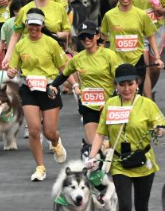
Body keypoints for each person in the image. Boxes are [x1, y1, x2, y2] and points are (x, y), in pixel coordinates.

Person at [87, 63, 165, 211]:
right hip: (119, 162)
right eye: (122, 84)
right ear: (116, 85)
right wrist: (92, 155)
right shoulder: (110, 104)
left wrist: (158, 130)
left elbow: (160, 127)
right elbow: (100, 132)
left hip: (143, 161)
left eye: (130, 83)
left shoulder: (147, 104)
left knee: (142, 207)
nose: (126, 88)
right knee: (125, 205)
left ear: (137, 83)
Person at [7, 9, 68, 181]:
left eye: (37, 24)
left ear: (42, 25)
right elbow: (13, 69)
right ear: (26, 25)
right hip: (29, 89)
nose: (33, 28)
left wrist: (75, 86)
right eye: (30, 24)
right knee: (34, 130)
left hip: (49, 89)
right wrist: (11, 73)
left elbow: (64, 69)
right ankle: (40, 167)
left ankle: (56, 142)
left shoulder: (51, 43)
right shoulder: (20, 45)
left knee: (49, 132)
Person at [49, 20, 120, 160]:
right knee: (94, 147)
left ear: (97, 36)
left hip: (109, 104)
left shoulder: (109, 55)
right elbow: (64, 74)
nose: (86, 39)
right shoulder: (78, 59)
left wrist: (116, 96)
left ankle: (108, 148)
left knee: (116, 144)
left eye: (89, 36)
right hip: (88, 105)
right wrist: (52, 85)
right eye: (82, 37)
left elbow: (119, 78)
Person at [101, 0, 160, 98]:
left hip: (137, 60)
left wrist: (158, 57)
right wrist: (101, 58)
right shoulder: (109, 15)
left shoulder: (141, 15)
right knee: (119, 95)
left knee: (137, 96)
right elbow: (102, 37)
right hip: (116, 61)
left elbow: (150, 36)